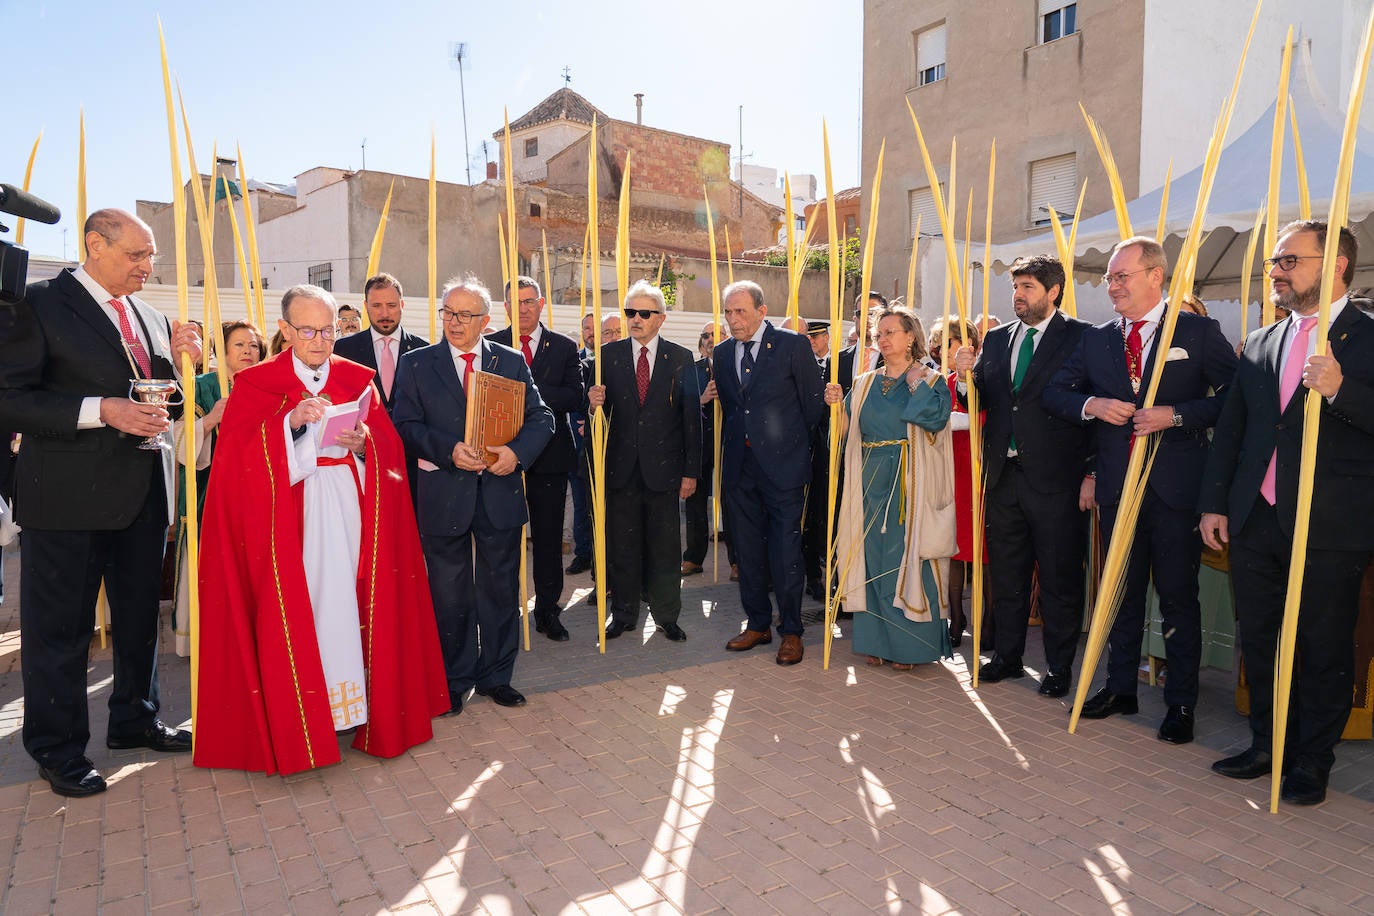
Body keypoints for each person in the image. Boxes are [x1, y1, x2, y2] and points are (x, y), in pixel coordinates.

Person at [194, 285, 448, 774]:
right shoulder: (257, 384)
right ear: (285, 330)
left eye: (328, 331)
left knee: (351, 603)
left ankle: (356, 707)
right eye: (308, 331)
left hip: (351, 508)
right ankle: (306, 714)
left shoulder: (357, 378)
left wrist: (364, 443)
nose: (319, 341)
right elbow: (236, 464)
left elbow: (391, 451)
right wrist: (288, 425)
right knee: (305, 607)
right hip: (292, 520)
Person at [0, 208, 202, 797]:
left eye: (151, 255)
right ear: (94, 244)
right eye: (136, 255)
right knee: (61, 632)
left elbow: (157, 395)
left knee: (139, 621)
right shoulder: (36, 303)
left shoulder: (150, 315)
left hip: (142, 496)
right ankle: (57, 749)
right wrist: (100, 411)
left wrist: (182, 362)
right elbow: (10, 397)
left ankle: (135, 720)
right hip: (65, 501)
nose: (147, 267)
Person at [1200, 220, 1374, 805]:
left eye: (1289, 261)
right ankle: (1266, 745)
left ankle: (1311, 761)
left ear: (1336, 266)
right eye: (1275, 261)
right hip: (1257, 518)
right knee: (1261, 640)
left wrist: (1342, 390)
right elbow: (1234, 429)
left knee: (1322, 647)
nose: (1276, 271)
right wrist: (1216, 503)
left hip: (1330, 524)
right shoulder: (1261, 340)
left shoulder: (1367, 335)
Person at [1044, 236, 1237, 744]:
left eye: (1121, 276)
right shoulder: (1098, 338)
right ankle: (1120, 687)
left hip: (1175, 492)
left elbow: (1234, 398)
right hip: (1117, 487)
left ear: (1156, 276)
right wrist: (1092, 405)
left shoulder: (1195, 331)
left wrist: (1178, 415)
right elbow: (1055, 392)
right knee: (1121, 595)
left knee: (1178, 599)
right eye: (1110, 277)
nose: (1112, 286)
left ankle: (1181, 704)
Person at [393, 278, 555, 712]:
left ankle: (496, 677)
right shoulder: (416, 363)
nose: (454, 322)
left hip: (498, 495)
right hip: (444, 495)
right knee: (449, 595)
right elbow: (404, 426)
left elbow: (542, 417)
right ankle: (453, 680)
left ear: (485, 321)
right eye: (448, 312)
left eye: (465, 315)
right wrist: (448, 451)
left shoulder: (510, 361)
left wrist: (516, 453)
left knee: (500, 592)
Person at [953, 256, 1093, 693]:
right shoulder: (997, 339)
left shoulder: (1083, 337)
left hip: (1057, 481)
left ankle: (1059, 668)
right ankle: (1007, 657)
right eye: (1015, 286)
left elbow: (1094, 409)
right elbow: (985, 398)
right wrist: (963, 377)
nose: (1018, 295)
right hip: (1003, 477)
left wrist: (1091, 473)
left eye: (1028, 287)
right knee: (1007, 576)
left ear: (1053, 291)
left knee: (1058, 578)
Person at [826, 305, 955, 668]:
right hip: (868, 478)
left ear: (910, 337)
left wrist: (915, 382)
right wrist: (835, 407)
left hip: (909, 481)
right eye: (878, 334)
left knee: (905, 557)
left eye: (890, 332)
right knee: (869, 556)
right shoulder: (864, 382)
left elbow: (935, 420)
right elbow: (846, 433)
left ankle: (911, 647)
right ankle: (877, 642)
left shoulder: (930, 380)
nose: (881, 339)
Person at [704, 280, 824, 665]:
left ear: (761, 311)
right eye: (728, 312)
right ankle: (757, 623)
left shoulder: (792, 345)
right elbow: (733, 409)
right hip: (740, 470)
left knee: (785, 551)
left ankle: (791, 631)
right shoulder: (723, 353)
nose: (733, 319)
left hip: (784, 470)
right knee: (748, 550)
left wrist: (788, 450)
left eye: (740, 311)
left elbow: (812, 407)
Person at [588, 280, 701, 641]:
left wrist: (691, 472)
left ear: (660, 318)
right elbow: (594, 418)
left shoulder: (680, 358)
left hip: (664, 473)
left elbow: (691, 420)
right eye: (630, 312)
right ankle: (624, 615)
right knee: (623, 547)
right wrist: (592, 404)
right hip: (620, 471)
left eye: (644, 313)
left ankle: (667, 616)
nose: (635, 319)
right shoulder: (608, 357)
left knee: (665, 549)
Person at [492, 276, 584, 641]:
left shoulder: (563, 346)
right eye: (515, 303)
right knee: (503, 540)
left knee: (548, 540)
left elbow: (574, 396)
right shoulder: (492, 344)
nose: (523, 309)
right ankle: (504, 613)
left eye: (529, 301)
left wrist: (524, 391)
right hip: (502, 457)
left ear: (541, 304)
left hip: (550, 456)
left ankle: (547, 610)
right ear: (505, 307)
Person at [170, 319, 265, 657]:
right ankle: (206, 641)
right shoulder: (201, 387)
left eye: (253, 345)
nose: (248, 351)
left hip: (255, 498)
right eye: (239, 344)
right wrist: (211, 419)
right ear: (221, 350)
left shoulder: (265, 386)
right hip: (208, 495)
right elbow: (177, 444)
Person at [930, 315, 985, 649]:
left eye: (949, 343)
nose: (944, 350)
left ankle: (989, 621)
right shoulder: (941, 383)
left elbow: (981, 417)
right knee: (952, 547)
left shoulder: (983, 379)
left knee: (982, 550)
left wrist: (950, 421)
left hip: (976, 469)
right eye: (940, 345)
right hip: (949, 470)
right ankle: (955, 616)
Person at [683, 322, 736, 577]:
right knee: (695, 503)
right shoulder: (692, 370)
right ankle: (693, 558)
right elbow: (681, 406)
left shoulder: (736, 366)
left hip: (729, 443)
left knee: (732, 502)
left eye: (717, 334)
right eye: (706, 335)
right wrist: (702, 399)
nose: (710, 339)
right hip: (701, 444)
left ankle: (737, 561)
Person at [333, 274, 428, 414]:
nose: (385, 314)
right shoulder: (343, 350)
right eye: (377, 306)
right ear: (366, 306)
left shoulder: (424, 350)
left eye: (391, 305)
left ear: (402, 305)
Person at [566, 313, 600, 576]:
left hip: (607, 447)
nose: (590, 332)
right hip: (577, 445)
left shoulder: (614, 360)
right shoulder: (573, 360)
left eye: (595, 328)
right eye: (586, 328)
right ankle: (583, 553)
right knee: (581, 502)